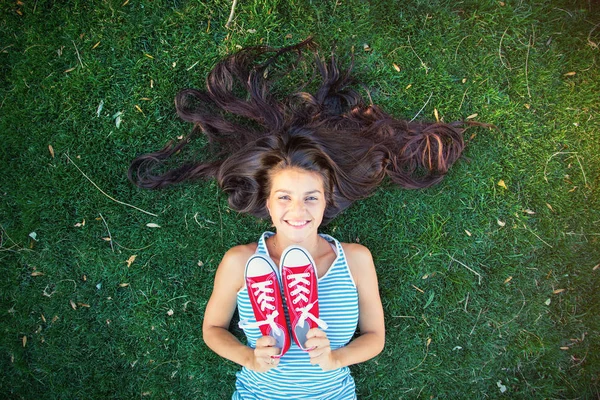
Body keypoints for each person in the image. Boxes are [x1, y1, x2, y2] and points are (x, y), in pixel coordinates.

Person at [129, 37, 481, 399]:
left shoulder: (356, 260)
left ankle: (302, 316)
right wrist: (247, 356)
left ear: (327, 201)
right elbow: (213, 327)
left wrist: (335, 357)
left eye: (311, 198)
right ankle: (279, 325)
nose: (298, 211)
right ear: (267, 203)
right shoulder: (242, 261)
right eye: (284, 197)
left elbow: (375, 337)